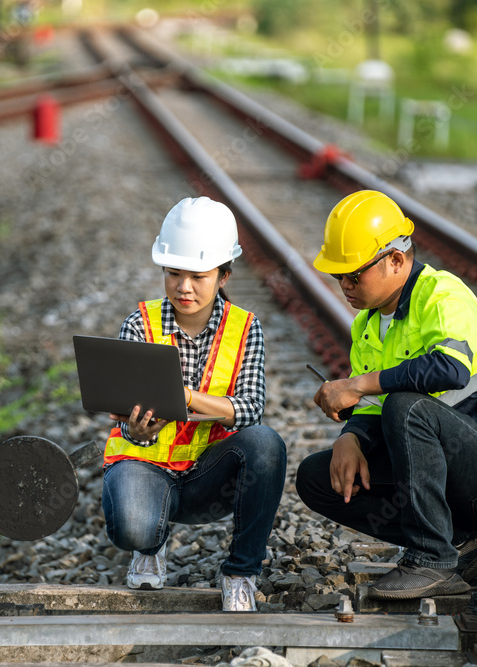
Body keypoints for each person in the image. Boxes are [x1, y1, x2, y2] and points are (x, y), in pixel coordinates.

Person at [296, 190, 477, 600]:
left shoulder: (442, 294)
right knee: (316, 477)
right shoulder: (366, 325)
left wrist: (357, 384)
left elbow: (449, 369)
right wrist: (351, 437)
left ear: (396, 260)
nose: (344, 285)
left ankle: (431, 559)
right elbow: (375, 407)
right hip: (457, 484)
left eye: (354, 274)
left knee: (406, 405)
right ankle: (459, 543)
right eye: (337, 276)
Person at [101, 196, 287, 612]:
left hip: (208, 476)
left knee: (266, 444)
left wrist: (188, 398)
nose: (183, 287)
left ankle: (240, 574)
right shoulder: (139, 324)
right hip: (147, 464)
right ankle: (150, 544)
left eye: (197, 276)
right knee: (134, 528)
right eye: (173, 274)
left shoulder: (246, 329)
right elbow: (126, 415)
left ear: (224, 275)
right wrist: (137, 430)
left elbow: (252, 407)